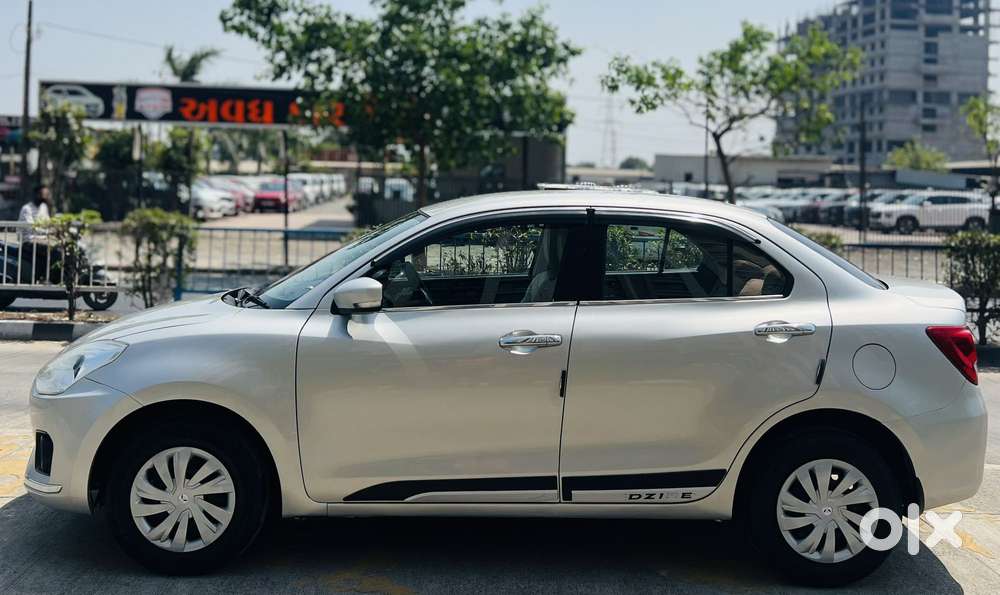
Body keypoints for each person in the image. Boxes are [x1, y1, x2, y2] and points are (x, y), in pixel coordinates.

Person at [17, 185, 54, 281]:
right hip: (28, 240)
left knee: (60, 247)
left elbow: (48, 223)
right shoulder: (27, 208)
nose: (45, 197)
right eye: (43, 194)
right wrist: (47, 232)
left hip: (41, 239)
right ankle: (46, 277)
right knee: (51, 249)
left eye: (47, 194)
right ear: (36, 195)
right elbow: (31, 228)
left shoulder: (44, 207)